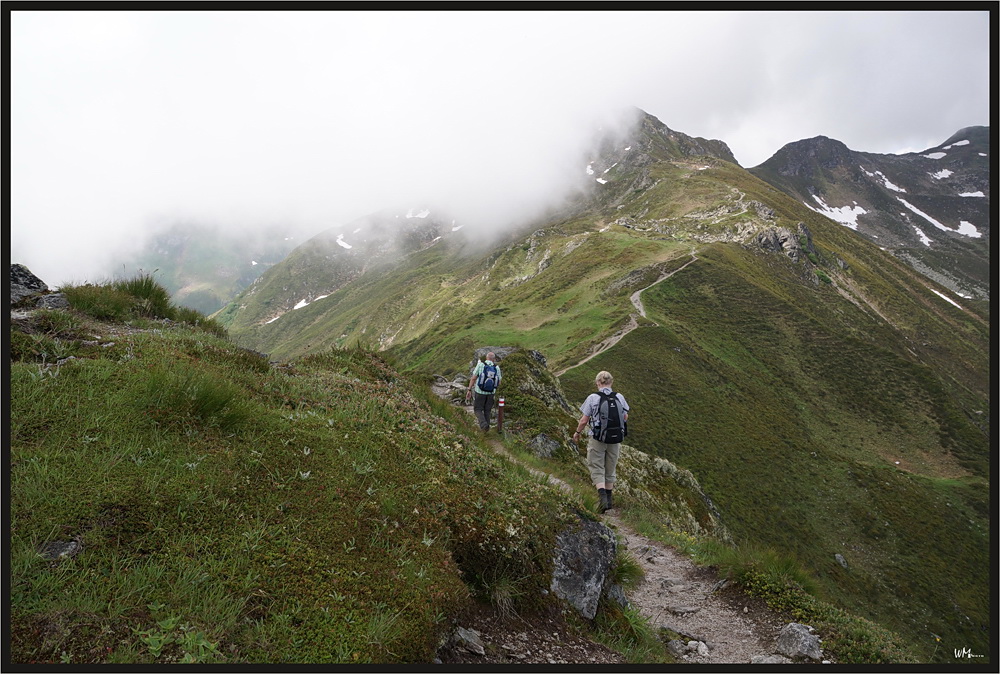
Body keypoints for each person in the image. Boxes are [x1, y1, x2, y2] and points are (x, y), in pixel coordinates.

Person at [572, 370, 629, 513]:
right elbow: (625, 417)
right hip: (615, 438)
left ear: (598, 382)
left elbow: (584, 420)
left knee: (596, 466)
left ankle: (602, 499)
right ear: (611, 382)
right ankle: (609, 502)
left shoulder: (593, 398)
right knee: (610, 469)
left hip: (598, 438)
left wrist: (577, 432)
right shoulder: (619, 397)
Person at [466, 352, 502, 432]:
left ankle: (483, 425)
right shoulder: (497, 368)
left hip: (480, 391)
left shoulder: (481, 365)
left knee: (477, 409)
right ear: (494, 359)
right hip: (491, 393)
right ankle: (486, 430)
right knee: (487, 410)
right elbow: (499, 382)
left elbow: (473, 378)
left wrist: (469, 389)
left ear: (486, 358)